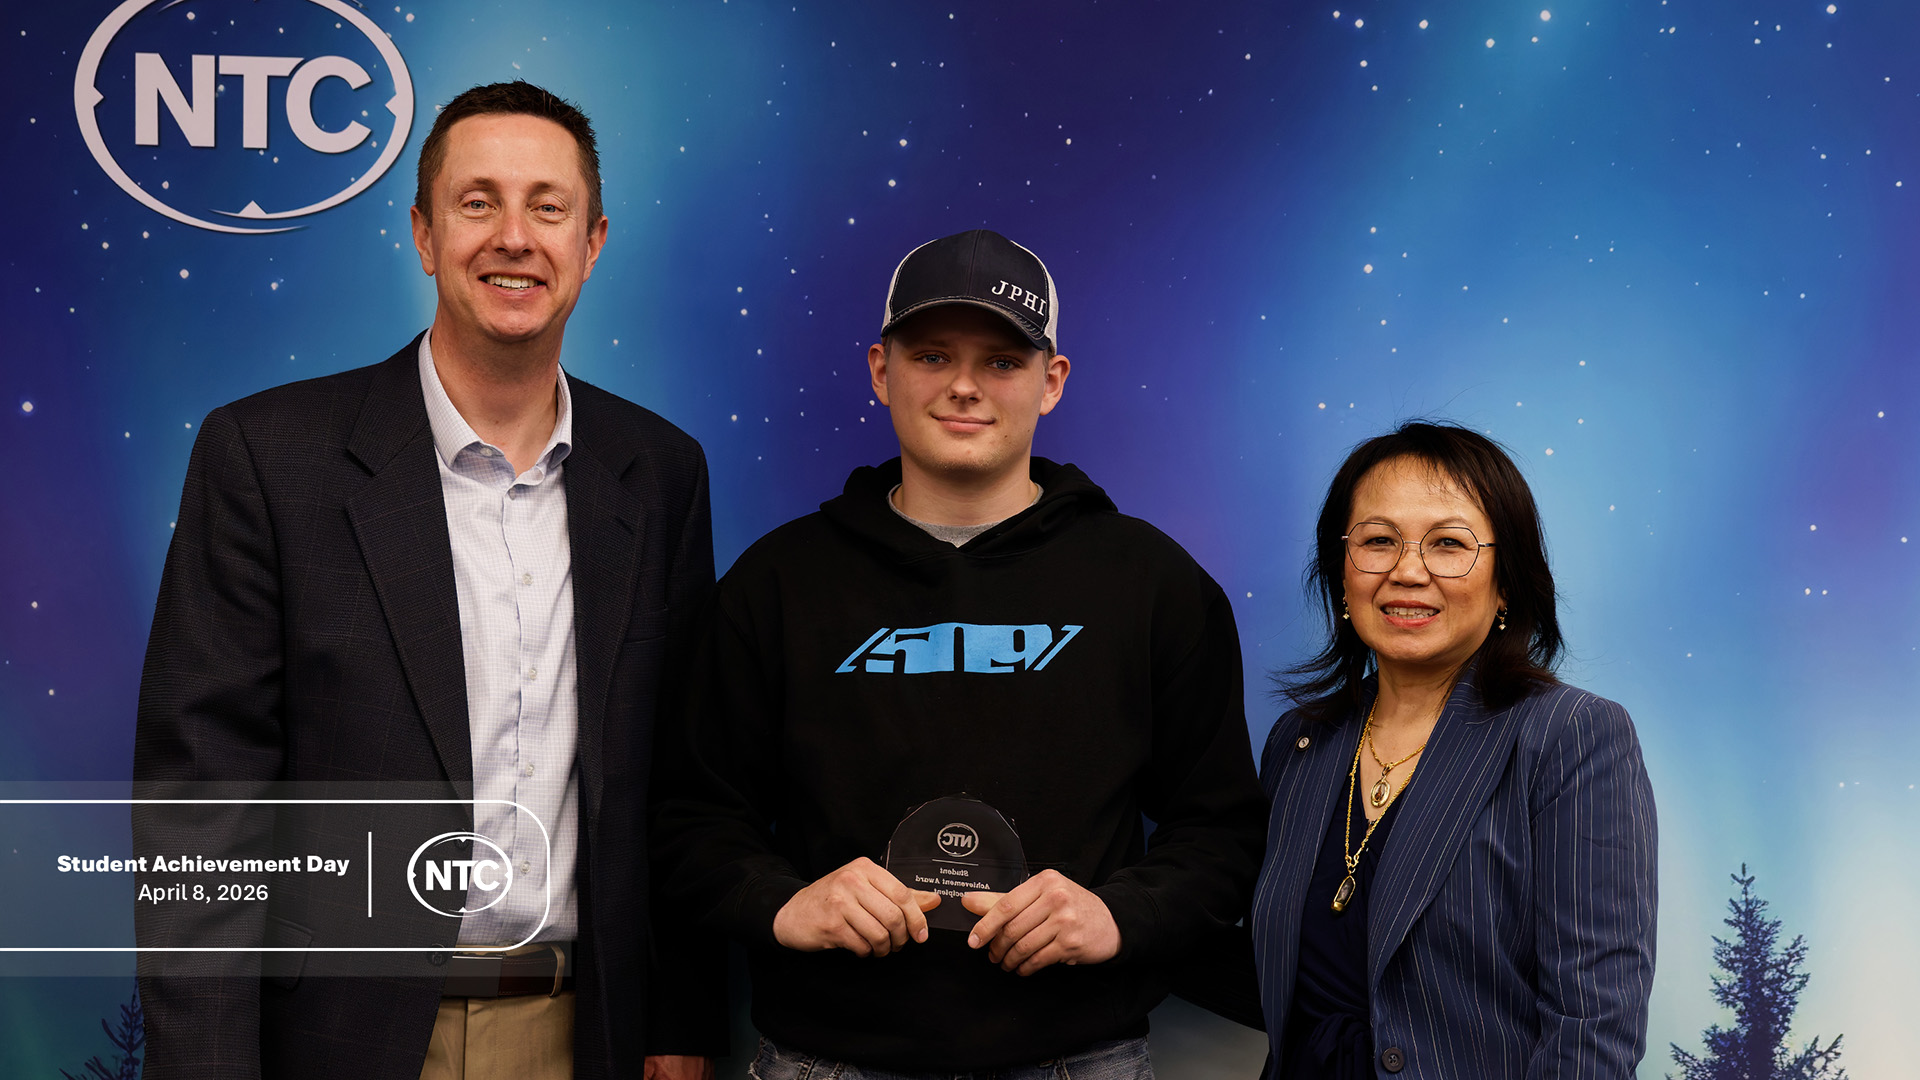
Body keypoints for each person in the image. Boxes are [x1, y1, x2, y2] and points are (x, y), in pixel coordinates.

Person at [133, 81, 719, 1080]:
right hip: (333, 1042)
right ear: (422, 230)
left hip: (581, 1035)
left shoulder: (660, 472)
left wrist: (680, 1022)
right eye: (478, 201)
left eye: (547, 206)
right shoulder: (270, 457)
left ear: (593, 242)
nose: (514, 237)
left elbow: (682, 777)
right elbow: (203, 812)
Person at [653, 229, 1267, 1077]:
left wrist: (1117, 915)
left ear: (1051, 382)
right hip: (823, 1059)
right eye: (933, 354)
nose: (966, 386)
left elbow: (1223, 832)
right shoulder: (778, 582)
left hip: (1077, 1057)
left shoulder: (1150, 582)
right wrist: (790, 904)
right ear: (880, 370)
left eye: (1004, 361)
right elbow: (692, 820)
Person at [1251, 421, 1657, 1079]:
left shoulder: (1571, 739)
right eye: (1378, 541)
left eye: (1448, 544)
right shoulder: (1300, 743)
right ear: (1341, 570)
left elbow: (1593, 1030)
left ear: (1506, 584)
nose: (1408, 571)